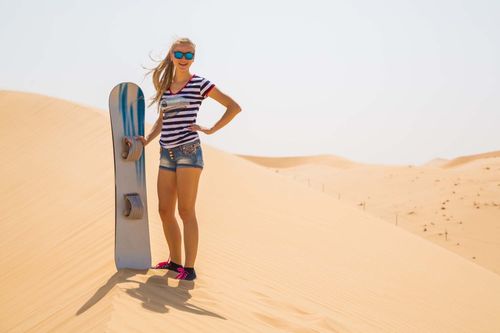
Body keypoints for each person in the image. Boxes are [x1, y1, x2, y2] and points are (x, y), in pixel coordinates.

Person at [136, 37, 242, 281]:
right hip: (166, 152)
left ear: (193, 58)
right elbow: (164, 118)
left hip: (188, 151)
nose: (184, 59)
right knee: (164, 210)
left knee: (186, 210)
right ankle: (175, 262)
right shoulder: (165, 86)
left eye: (189, 55)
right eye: (179, 54)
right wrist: (148, 139)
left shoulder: (200, 84)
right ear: (172, 56)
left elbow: (233, 107)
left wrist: (210, 129)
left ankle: (189, 269)